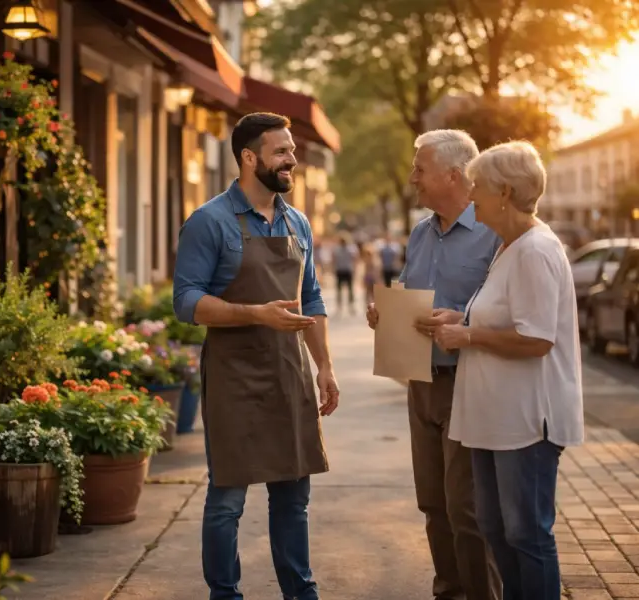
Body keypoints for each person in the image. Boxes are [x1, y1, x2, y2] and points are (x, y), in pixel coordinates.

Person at [172, 112, 340, 600]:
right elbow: (186, 301)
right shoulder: (210, 221)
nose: (293, 161)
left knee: (293, 497)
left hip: (289, 372)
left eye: (292, 151)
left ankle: (300, 592)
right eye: (282, 152)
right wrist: (255, 313)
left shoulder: (297, 221)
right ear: (249, 158)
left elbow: (310, 299)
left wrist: (324, 365)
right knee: (227, 499)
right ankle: (225, 594)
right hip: (234, 376)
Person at [429, 141, 584, 600]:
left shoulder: (535, 250)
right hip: (493, 421)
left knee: (526, 536)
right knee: (496, 531)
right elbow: (502, 318)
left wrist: (469, 337)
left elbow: (537, 339)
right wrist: (459, 321)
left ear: (506, 192)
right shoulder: (508, 248)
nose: (472, 196)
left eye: (479, 187)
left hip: (526, 423)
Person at [366, 129, 502, 600]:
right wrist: (385, 312)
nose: (412, 179)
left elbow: (508, 310)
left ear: (453, 174)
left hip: (469, 381)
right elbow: (408, 289)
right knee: (433, 502)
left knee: (467, 508)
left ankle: (483, 594)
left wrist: (461, 317)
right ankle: (448, 591)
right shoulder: (422, 232)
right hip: (421, 381)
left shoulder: (493, 233)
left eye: (420, 170)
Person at [332, 231, 359, 314]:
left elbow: (355, 259)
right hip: (340, 270)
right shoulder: (337, 249)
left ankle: (351, 305)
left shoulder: (351, 249)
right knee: (339, 289)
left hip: (347, 270)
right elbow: (334, 259)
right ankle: (339, 306)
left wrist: (355, 269)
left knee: (350, 289)